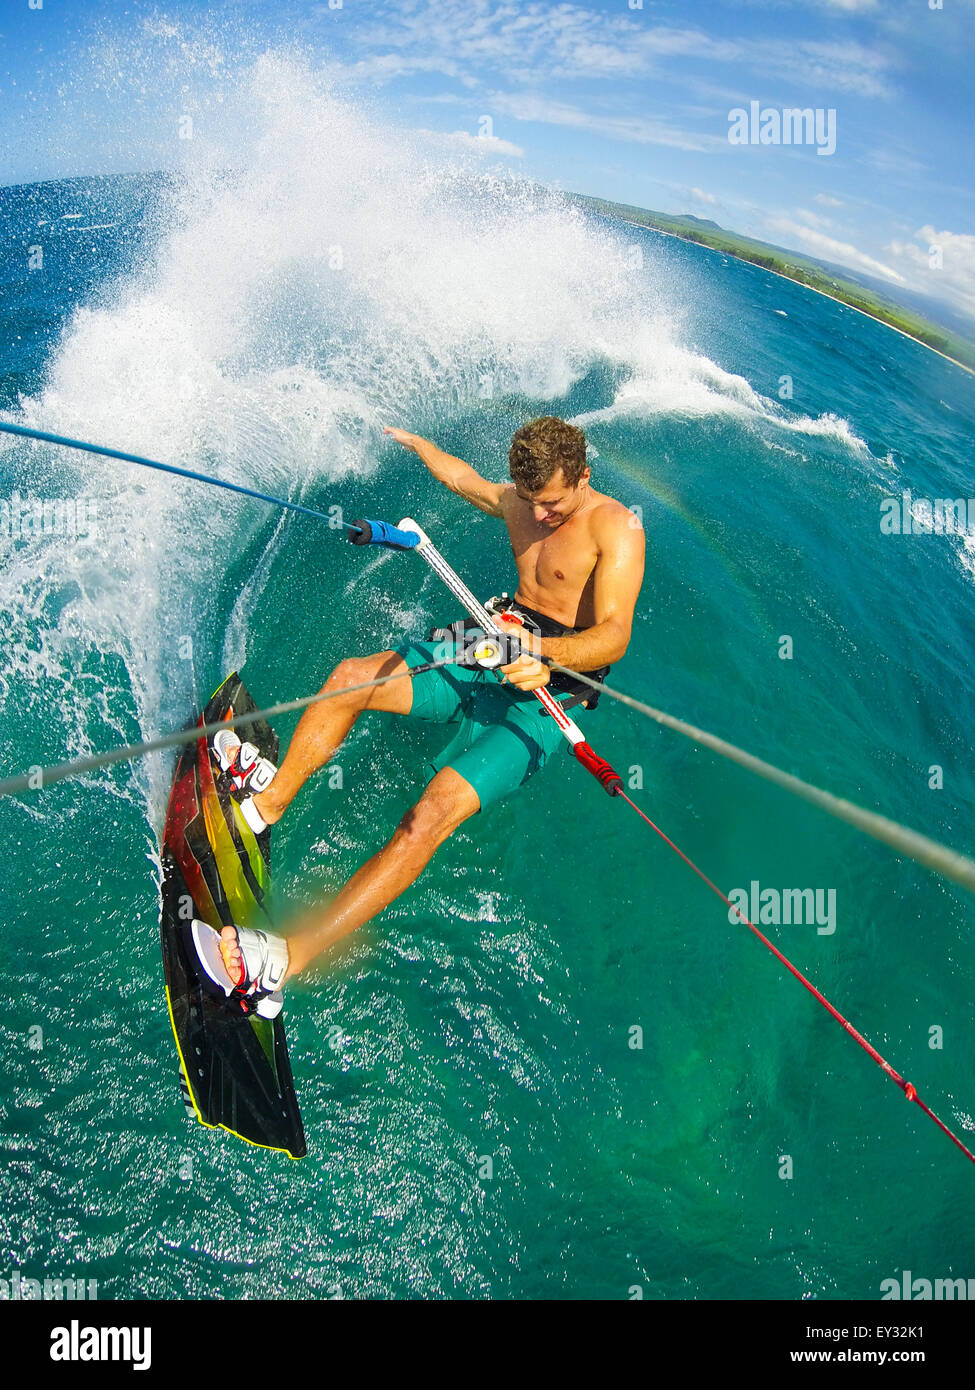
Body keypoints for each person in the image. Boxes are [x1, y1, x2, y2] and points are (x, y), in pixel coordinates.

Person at [193, 415, 645, 1010]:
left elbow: (614, 636)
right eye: (531, 501)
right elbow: (463, 480)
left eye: (553, 504)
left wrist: (543, 653)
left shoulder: (616, 527)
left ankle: (286, 961)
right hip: (489, 643)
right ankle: (264, 807)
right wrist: (418, 443)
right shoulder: (520, 501)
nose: (539, 517)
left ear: (583, 476)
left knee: (427, 817)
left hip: (548, 694)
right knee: (350, 679)